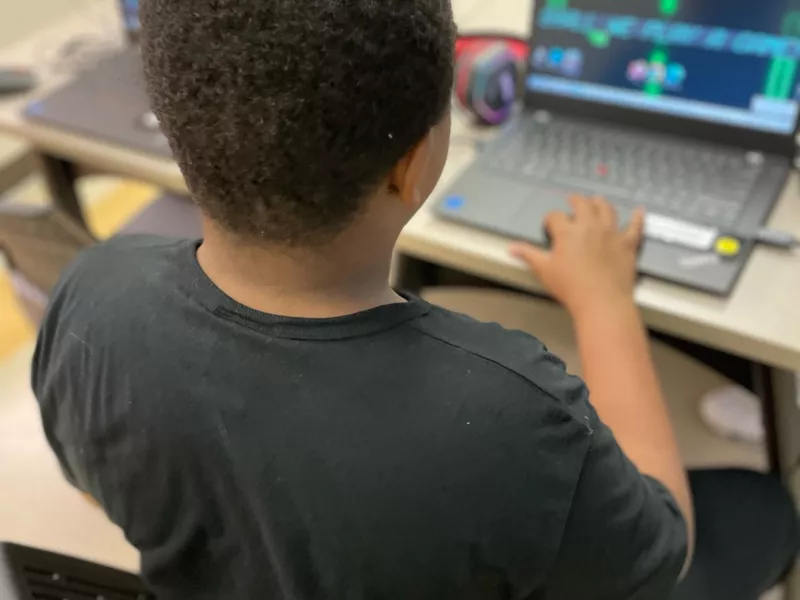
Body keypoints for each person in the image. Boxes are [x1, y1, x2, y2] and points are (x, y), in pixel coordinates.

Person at [31, 0, 797, 598]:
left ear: (176, 133)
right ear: (414, 165)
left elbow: (97, 481)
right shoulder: (509, 417)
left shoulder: (92, 295)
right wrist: (604, 303)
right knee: (763, 508)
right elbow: (664, 550)